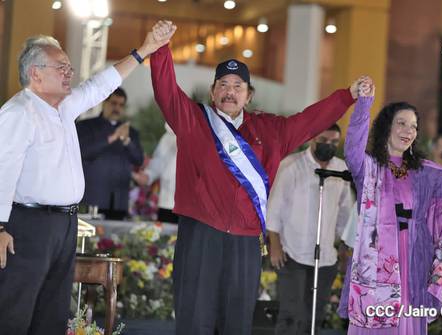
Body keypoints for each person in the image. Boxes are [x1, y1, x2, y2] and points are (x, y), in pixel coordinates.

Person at [149, 20, 370, 335]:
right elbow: (167, 92)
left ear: (248, 95)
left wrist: (346, 96)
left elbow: (310, 121)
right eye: (223, 85)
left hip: (245, 241)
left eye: (237, 86)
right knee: (194, 317)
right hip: (200, 235)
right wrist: (160, 49)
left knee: (237, 320)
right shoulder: (195, 120)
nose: (230, 92)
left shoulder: (270, 130)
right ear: (212, 92)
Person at [0, 22, 169, 335]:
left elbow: (101, 84)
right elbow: (1, 169)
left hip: (64, 223)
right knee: (15, 311)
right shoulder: (19, 112)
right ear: (35, 74)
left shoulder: (63, 107)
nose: (70, 72)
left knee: (51, 313)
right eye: (61, 67)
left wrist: (144, 50)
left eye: (69, 66)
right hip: (27, 224)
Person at [338, 83, 442, 334]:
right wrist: (364, 103)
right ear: (387, 126)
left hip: (415, 260)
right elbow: (353, 149)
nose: (409, 131)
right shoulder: (370, 168)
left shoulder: (424, 171)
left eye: (414, 126)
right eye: (402, 123)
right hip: (376, 264)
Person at [267, 124, 355, 334]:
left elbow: (345, 213)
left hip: (325, 257)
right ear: (311, 138)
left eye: (334, 142)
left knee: (313, 316)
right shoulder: (291, 165)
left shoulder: (341, 170)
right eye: (324, 140)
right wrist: (275, 246)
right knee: (290, 315)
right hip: (292, 254)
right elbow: (274, 209)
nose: (329, 145)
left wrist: (345, 248)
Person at [77, 87, 144, 220]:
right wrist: (111, 138)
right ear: (104, 103)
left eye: (121, 105)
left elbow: (139, 160)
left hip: (119, 202)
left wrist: (127, 141)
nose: (117, 108)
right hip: (93, 199)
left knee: (115, 240)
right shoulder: (86, 126)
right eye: (113, 103)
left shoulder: (131, 132)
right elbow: (83, 153)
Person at [132, 123, 178, 223]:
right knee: (166, 237)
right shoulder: (168, 137)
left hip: (195, 208)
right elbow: (158, 163)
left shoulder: (204, 134)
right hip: (168, 203)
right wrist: (148, 176)